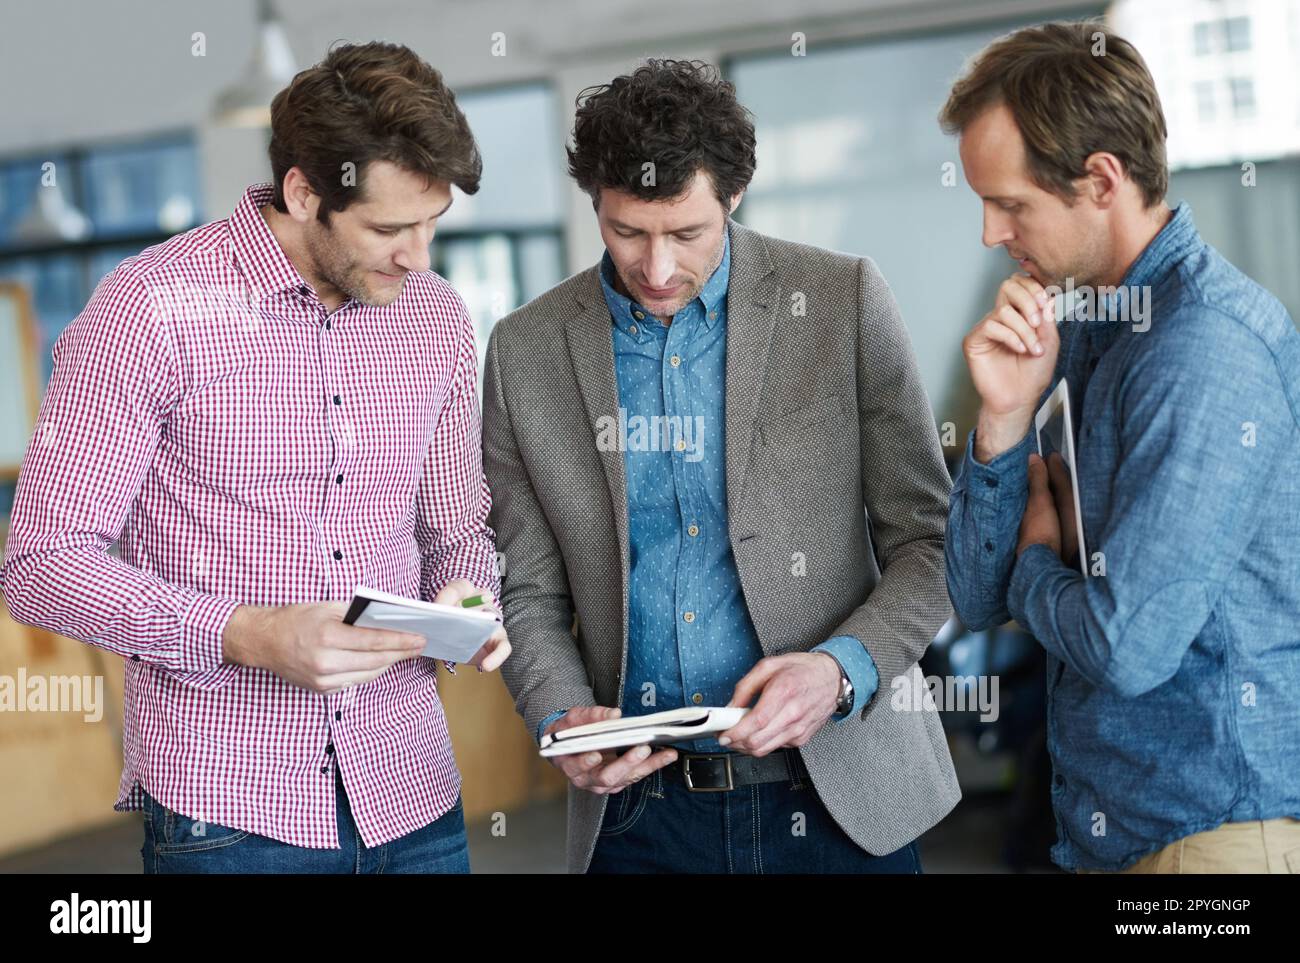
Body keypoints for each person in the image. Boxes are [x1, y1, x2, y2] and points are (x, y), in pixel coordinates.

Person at [1, 41, 509, 874]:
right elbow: (41, 561)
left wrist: (468, 597)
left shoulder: (437, 319)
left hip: (411, 791)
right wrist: (247, 633)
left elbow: (458, 528)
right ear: (305, 192)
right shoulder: (150, 308)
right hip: (230, 812)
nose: (419, 257)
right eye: (388, 228)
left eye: (432, 223)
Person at [482, 59, 957, 874]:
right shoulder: (525, 350)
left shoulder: (839, 300)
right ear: (594, 199)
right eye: (628, 231)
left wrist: (841, 671)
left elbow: (933, 540)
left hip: (840, 799)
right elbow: (526, 588)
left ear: (732, 196)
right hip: (637, 819)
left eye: (686, 233)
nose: (657, 268)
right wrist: (559, 713)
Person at [941, 21, 1300, 873]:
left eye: (1011, 204)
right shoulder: (1084, 323)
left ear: (1101, 179)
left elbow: (1126, 644)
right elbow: (977, 597)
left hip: (1214, 845)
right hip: (1116, 832)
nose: (992, 233)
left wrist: (1035, 559)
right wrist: (999, 423)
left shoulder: (1203, 349)